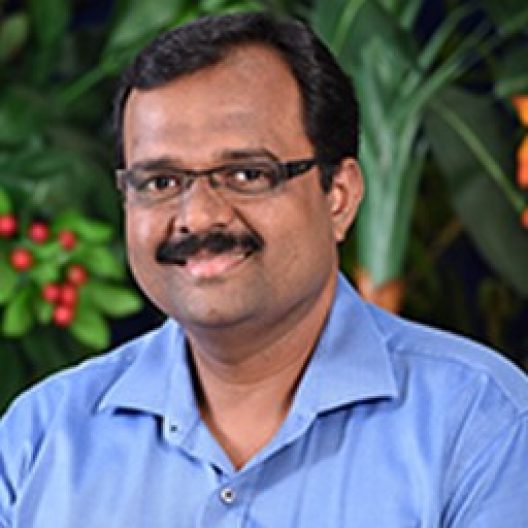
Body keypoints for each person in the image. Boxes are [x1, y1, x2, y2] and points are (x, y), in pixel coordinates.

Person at [1, 11, 527, 528]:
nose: (198, 216)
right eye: (161, 182)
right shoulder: (39, 437)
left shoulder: (482, 425)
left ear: (339, 196)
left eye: (247, 174)